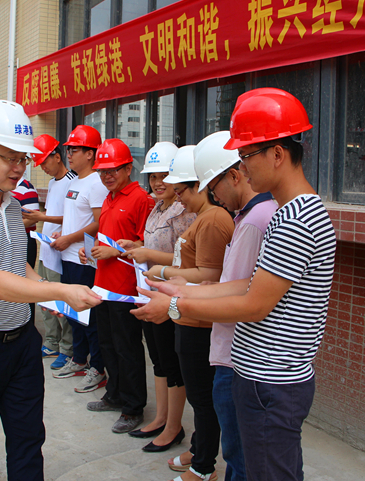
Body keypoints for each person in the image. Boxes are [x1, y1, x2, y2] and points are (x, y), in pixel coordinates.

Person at [133, 88, 337, 481]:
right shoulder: (286, 211)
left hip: (271, 380)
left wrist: (176, 306)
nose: (241, 166)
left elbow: (254, 304)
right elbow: (249, 283)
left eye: (246, 155)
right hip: (264, 378)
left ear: (276, 154)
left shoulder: (296, 219)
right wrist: (187, 291)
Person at [0, 100, 102, 481]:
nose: (18, 168)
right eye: (9, 158)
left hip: (22, 345)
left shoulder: (11, 206)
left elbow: (15, 264)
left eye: (22, 159)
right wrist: (61, 291)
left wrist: (44, 287)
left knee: (28, 442)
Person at [140, 145, 233, 481]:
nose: (179, 199)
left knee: (203, 398)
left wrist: (163, 273)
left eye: (182, 191)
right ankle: (199, 449)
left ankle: (203, 466)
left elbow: (210, 274)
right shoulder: (205, 218)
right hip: (188, 315)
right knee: (198, 395)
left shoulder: (213, 220)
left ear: (201, 185)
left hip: (200, 320)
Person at [193, 131, 278, 481]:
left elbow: (244, 298)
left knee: (240, 457)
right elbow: (237, 284)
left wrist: (179, 303)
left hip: (236, 357)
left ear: (234, 175)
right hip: (234, 354)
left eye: (213, 188)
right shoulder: (248, 216)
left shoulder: (256, 221)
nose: (214, 197)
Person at [119, 141, 194, 452]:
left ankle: (174, 427)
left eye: (164, 176)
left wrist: (148, 254)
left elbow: (188, 260)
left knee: (172, 364)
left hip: (172, 295)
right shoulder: (157, 207)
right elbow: (154, 245)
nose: (158, 182)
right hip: (151, 293)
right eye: (153, 176)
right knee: (159, 361)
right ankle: (161, 418)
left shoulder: (184, 211)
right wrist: (135, 246)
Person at [78, 139, 154, 434]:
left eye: (113, 170)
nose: (107, 176)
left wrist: (116, 252)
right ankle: (115, 394)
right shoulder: (109, 198)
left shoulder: (140, 199)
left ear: (128, 168)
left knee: (127, 349)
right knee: (108, 344)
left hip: (125, 289)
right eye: (102, 171)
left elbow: (147, 243)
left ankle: (133, 407)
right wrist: (90, 250)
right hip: (103, 286)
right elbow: (107, 237)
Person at [49, 125, 108, 391]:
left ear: (90, 153)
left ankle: (98, 367)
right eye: (69, 149)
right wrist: (63, 233)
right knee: (73, 314)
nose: (69, 154)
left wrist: (70, 239)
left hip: (85, 260)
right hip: (68, 257)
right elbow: (76, 218)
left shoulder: (96, 183)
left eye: (74, 149)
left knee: (89, 318)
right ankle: (79, 359)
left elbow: (99, 223)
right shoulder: (74, 181)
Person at [23, 134, 76, 370]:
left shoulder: (72, 181)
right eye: (39, 163)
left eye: (44, 161)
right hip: (46, 248)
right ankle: (52, 342)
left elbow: (73, 217)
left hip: (62, 251)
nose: (43, 167)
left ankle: (67, 347)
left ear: (57, 156)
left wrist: (42, 217)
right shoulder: (54, 183)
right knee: (44, 297)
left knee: (60, 300)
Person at [13, 177, 40, 267]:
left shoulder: (27, 188)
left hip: (23, 239)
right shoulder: (3, 187)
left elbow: (33, 218)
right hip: (8, 239)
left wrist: (8, 226)